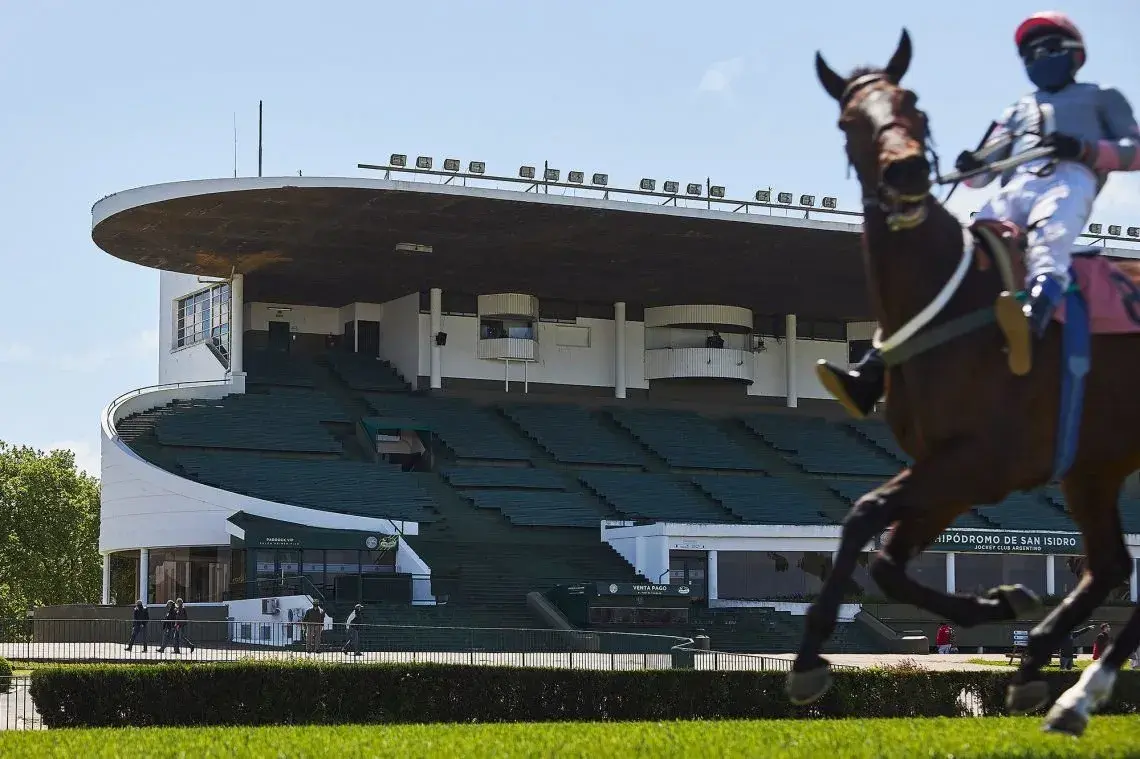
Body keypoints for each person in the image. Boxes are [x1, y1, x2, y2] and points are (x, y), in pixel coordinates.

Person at [817, 11, 1140, 418]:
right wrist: (973, 163)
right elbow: (982, 174)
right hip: (1017, 184)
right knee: (960, 259)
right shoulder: (1018, 109)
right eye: (1030, 53)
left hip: (1069, 178)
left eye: (1049, 48)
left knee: (1051, 240)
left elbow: (1134, 150)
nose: (1040, 57)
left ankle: (1032, 321)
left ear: (1075, 54)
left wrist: (1085, 150)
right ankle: (874, 370)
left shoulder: (1102, 97)